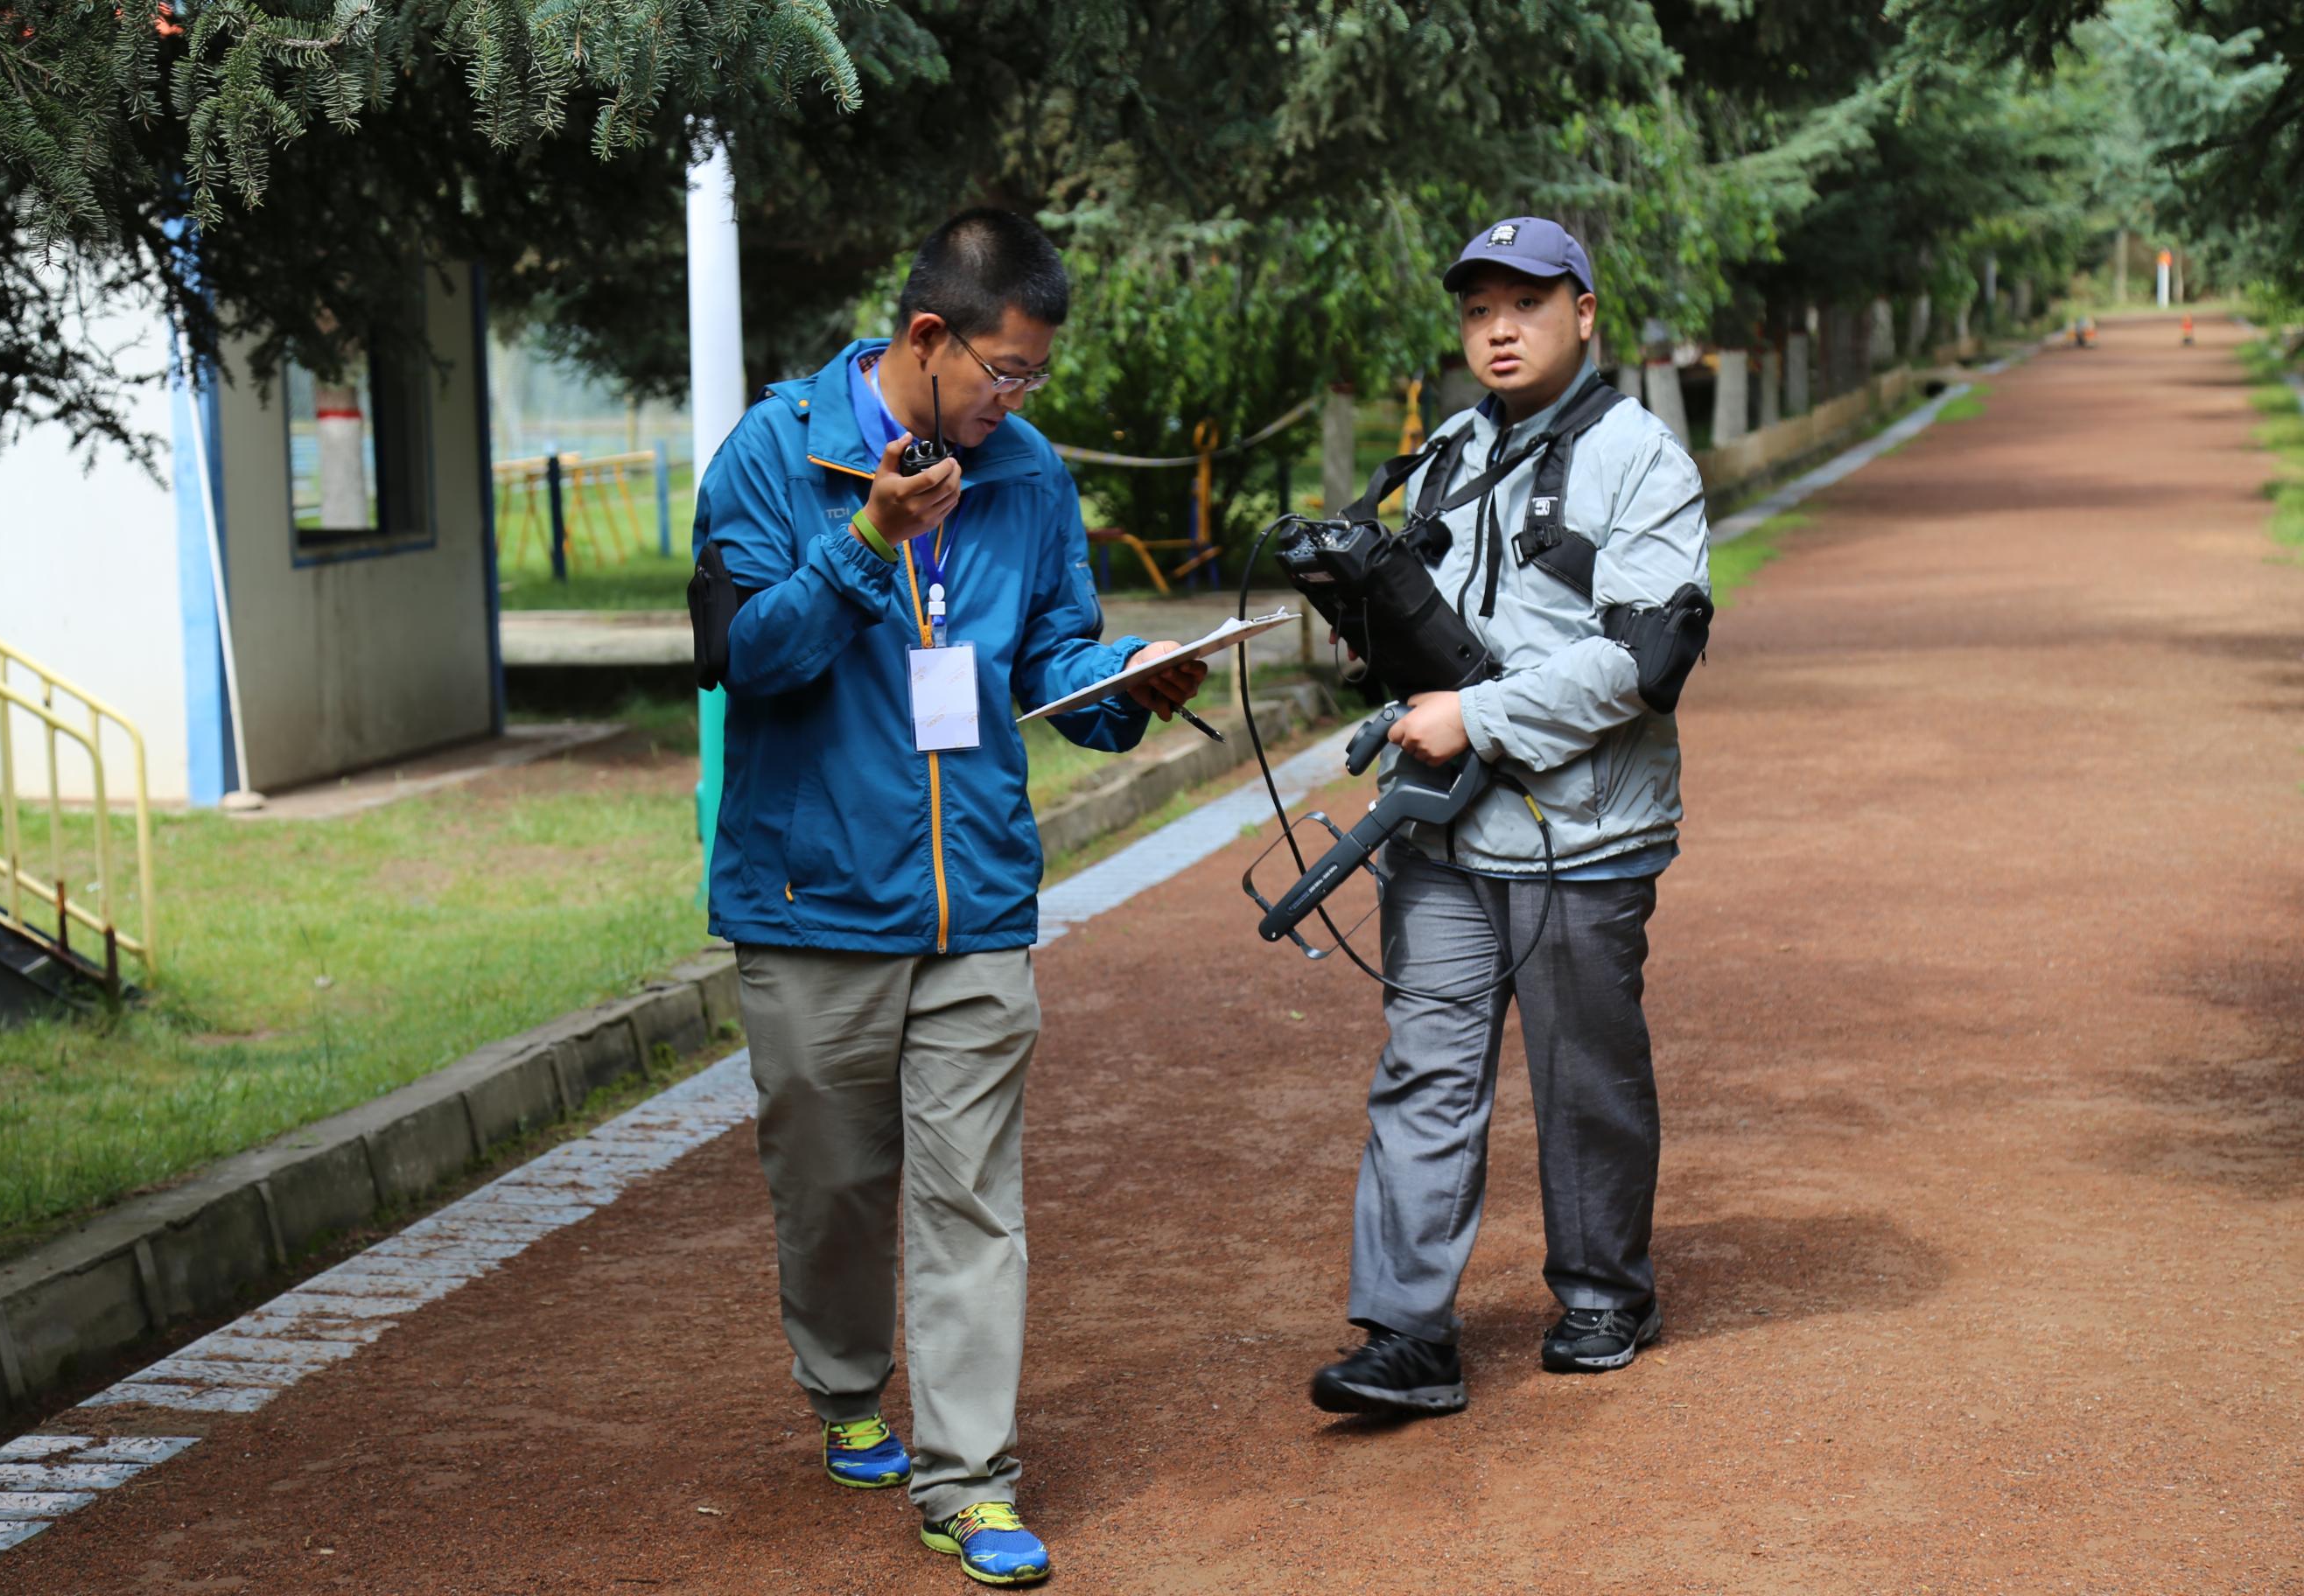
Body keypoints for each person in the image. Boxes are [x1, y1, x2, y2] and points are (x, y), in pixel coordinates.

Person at [697, 208, 1207, 1586]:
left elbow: (1050, 655)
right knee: (831, 1185)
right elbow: (751, 659)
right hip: (812, 902)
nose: (1015, 402)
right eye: (1004, 371)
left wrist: (1126, 682)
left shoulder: (1025, 475)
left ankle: (969, 1480)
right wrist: (868, 539)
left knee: (973, 1201)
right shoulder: (775, 454)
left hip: (973, 898)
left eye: (1033, 377)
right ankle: (842, 1384)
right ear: (929, 337)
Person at [1308, 216, 1711, 1417]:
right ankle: (1406, 1333)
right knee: (1423, 1072)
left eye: (1527, 303)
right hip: (1440, 829)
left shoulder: (1643, 457)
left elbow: (1644, 659)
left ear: (1583, 313)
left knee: (1585, 1077)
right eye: (1479, 306)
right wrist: (1368, 641)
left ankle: (1603, 1293)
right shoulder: (1442, 453)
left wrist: (1476, 718)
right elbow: (1426, 628)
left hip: (1583, 832)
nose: (1499, 327)